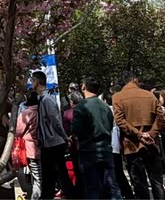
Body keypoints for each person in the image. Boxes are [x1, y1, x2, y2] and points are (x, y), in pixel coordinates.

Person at [112, 71, 165, 200]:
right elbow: (161, 118)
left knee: (139, 183)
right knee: (157, 182)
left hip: (131, 145)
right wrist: (151, 134)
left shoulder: (117, 97)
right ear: (135, 80)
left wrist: (139, 135)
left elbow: (120, 121)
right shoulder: (150, 95)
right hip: (151, 144)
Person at [70, 76, 121, 200]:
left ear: (83, 87)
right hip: (106, 151)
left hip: (89, 152)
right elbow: (110, 125)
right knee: (111, 187)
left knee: (92, 189)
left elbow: (75, 130)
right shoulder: (105, 107)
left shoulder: (81, 107)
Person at [30, 71, 74, 199]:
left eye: (32, 81)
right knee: (48, 176)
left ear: (37, 82)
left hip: (54, 143)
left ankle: (72, 195)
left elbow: (55, 121)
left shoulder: (47, 100)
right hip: (47, 144)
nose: (31, 83)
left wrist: (65, 137)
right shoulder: (41, 100)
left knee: (60, 175)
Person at [15, 90, 41, 200]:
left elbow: (18, 131)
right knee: (37, 177)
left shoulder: (27, 113)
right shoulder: (41, 111)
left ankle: (33, 196)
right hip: (40, 147)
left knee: (37, 179)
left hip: (29, 148)